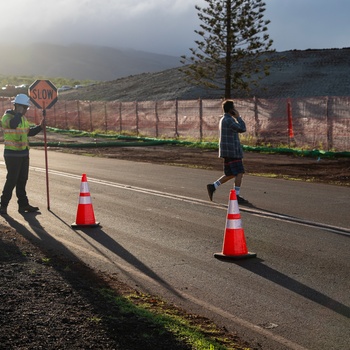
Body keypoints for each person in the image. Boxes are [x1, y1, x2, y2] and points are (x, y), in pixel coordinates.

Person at [0, 94, 44, 215]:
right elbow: (13, 124)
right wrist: (18, 113)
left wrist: (40, 127)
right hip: (12, 155)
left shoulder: (23, 119)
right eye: (24, 107)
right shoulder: (7, 117)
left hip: (24, 153)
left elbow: (29, 133)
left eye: (26, 108)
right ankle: (3, 205)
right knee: (12, 180)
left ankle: (23, 205)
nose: (25, 110)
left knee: (22, 180)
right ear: (17, 106)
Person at [207, 99, 248, 204]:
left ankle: (213, 186)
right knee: (239, 172)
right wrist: (238, 117)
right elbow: (242, 129)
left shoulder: (223, 119)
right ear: (231, 110)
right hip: (232, 151)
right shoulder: (229, 120)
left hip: (227, 151)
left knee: (230, 173)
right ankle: (236, 196)